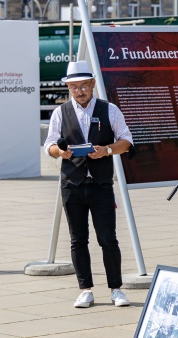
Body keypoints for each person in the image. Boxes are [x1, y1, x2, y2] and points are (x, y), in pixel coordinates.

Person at [43, 60, 133, 308]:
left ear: (93, 84)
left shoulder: (109, 109)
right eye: (74, 87)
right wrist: (59, 153)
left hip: (101, 184)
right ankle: (85, 289)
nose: (79, 91)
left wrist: (107, 150)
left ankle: (116, 289)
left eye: (84, 86)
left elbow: (126, 140)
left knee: (108, 238)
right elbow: (49, 145)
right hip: (71, 184)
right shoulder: (60, 113)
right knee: (77, 239)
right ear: (68, 88)